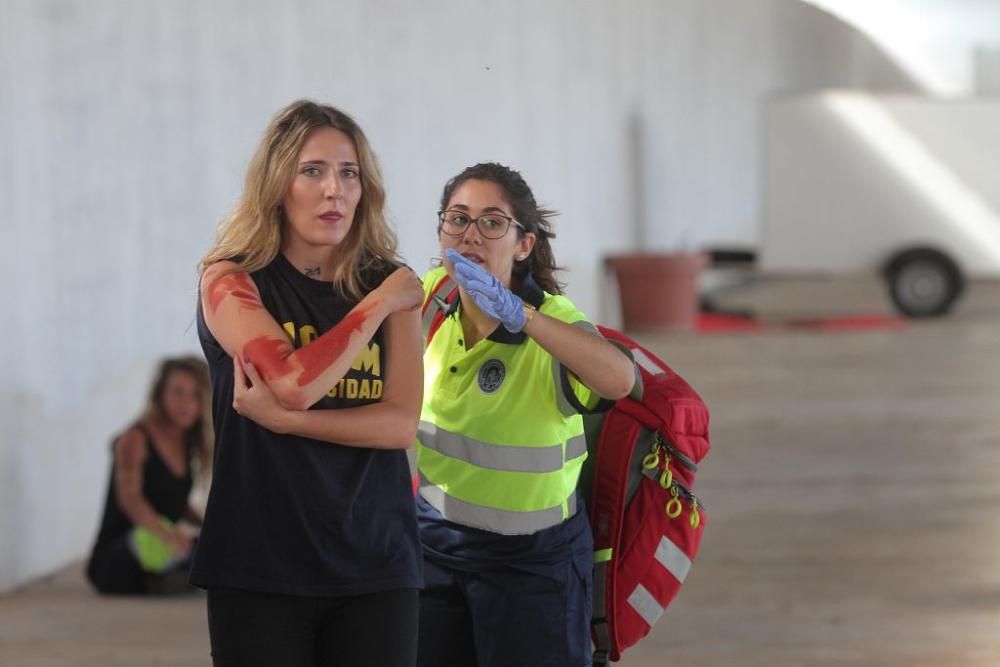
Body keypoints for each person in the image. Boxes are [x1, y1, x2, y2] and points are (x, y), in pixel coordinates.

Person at [194, 100, 424, 667]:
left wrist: (289, 422)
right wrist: (375, 306)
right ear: (277, 185)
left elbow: (398, 425)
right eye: (312, 171)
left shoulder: (391, 283)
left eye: (349, 174)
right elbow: (295, 381)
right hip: (260, 564)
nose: (334, 191)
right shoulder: (231, 280)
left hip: (376, 562)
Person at [415, 162, 638, 667]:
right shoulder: (432, 296)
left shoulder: (557, 323)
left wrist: (523, 316)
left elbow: (619, 380)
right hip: (434, 548)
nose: (471, 235)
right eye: (458, 218)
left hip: (534, 566)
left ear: (523, 245)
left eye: (492, 222)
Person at [86, 355, 212, 595]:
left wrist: (209, 528)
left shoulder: (186, 440)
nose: (186, 402)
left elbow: (173, 500)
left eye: (195, 395)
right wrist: (169, 536)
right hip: (122, 554)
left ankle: (175, 573)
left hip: (161, 545)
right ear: (160, 394)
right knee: (165, 547)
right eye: (177, 392)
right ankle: (170, 574)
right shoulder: (134, 438)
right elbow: (129, 499)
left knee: (213, 550)